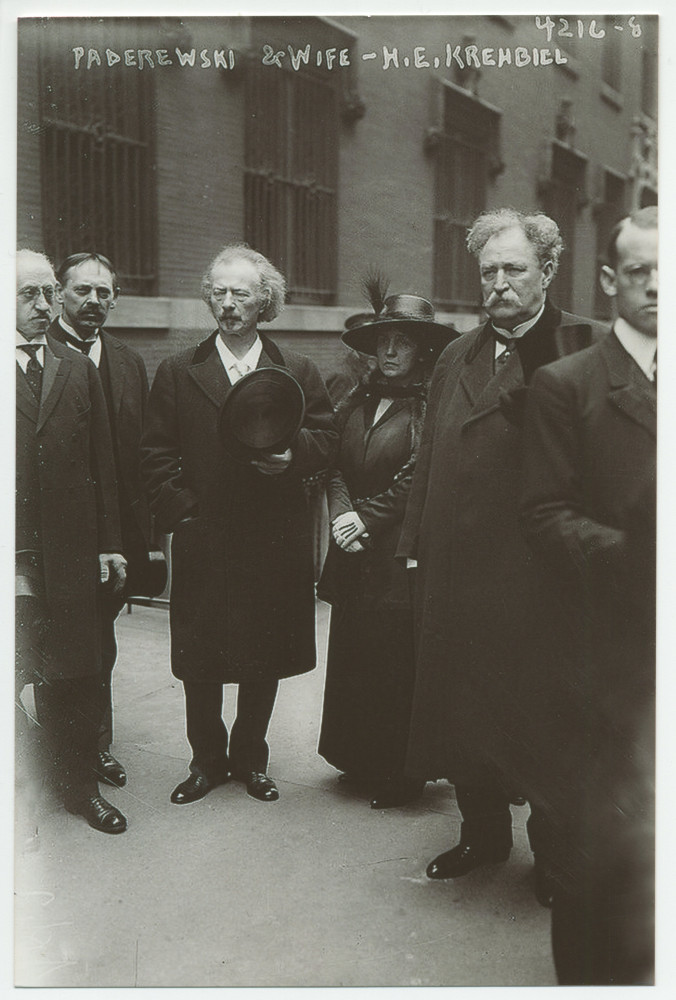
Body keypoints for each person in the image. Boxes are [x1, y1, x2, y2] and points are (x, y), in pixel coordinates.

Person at [396, 209, 605, 902]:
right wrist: (413, 547)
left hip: (543, 579)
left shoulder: (582, 350)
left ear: (547, 270)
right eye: (488, 270)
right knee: (463, 711)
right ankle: (482, 834)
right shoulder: (456, 354)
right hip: (457, 572)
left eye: (515, 268)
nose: (500, 283)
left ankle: (554, 856)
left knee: (546, 719)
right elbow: (430, 458)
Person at [141, 244, 337, 804]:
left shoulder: (295, 371)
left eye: (241, 294)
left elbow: (326, 439)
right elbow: (155, 455)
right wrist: (185, 513)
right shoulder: (180, 371)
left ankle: (251, 758)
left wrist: (293, 455)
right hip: (207, 535)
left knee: (263, 652)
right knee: (201, 656)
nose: (228, 304)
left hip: (273, 536)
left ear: (264, 302)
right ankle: (205, 762)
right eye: (219, 293)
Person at [520, 206, 656, 983]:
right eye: (640, 270)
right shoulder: (565, 385)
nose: (658, 286)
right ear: (608, 280)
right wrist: (642, 559)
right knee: (596, 859)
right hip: (600, 662)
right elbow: (542, 517)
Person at [318, 294, 457, 808]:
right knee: (355, 652)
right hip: (352, 548)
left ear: (422, 350)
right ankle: (358, 758)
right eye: (384, 341)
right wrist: (340, 513)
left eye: (402, 342)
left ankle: (403, 771)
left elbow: (418, 476)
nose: (391, 351)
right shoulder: (355, 400)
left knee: (396, 660)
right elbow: (333, 465)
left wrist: (364, 519)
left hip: (397, 554)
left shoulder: (428, 407)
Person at [15, 249, 127, 834]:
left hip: (70, 553)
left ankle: (79, 788)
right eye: (26, 294)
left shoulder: (75, 366)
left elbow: (101, 462)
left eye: (46, 293)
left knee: (75, 675)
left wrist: (110, 542)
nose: (41, 305)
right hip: (13, 554)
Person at [49, 252, 152, 790]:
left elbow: (139, 456)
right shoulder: (35, 353)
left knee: (100, 643)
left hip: (115, 534)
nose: (94, 301)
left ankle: (94, 745)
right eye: (82, 290)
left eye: (104, 293)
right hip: (55, 530)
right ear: (59, 294)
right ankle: (58, 750)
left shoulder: (129, 362)